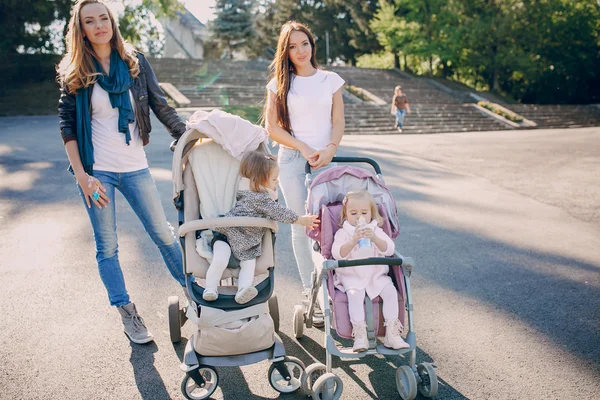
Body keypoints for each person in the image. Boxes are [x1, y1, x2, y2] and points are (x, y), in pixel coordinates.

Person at [56, 0, 187, 344]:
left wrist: (187, 137)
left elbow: (159, 103)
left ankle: (198, 296)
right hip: (98, 174)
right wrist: (82, 176)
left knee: (163, 234)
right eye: (90, 21)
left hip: (135, 167)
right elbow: (67, 127)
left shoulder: (134, 62)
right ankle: (127, 312)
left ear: (112, 22)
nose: (99, 25)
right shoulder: (76, 71)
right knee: (108, 246)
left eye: (103, 18)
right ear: (80, 29)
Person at [263, 21, 345, 323]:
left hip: (326, 159)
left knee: (331, 226)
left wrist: (330, 149)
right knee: (301, 225)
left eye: (304, 44)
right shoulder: (279, 85)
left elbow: (337, 121)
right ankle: (311, 292)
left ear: (312, 45)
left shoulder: (330, 80)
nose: (300, 51)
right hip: (292, 161)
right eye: (293, 46)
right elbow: (272, 129)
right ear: (285, 51)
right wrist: (302, 146)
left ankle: (334, 291)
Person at [200, 151, 319, 304]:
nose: (277, 183)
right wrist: (300, 219)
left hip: (247, 244)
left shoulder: (248, 190)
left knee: (246, 264)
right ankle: (210, 288)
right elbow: (279, 212)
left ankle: (243, 290)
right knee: (221, 259)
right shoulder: (259, 197)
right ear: (260, 180)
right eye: (274, 179)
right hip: (228, 236)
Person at [331, 190, 409, 352]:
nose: (359, 216)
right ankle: (360, 335)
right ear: (345, 214)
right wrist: (353, 241)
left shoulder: (376, 231)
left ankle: (392, 334)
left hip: (375, 274)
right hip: (352, 275)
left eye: (364, 213)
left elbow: (389, 249)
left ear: (371, 214)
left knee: (390, 292)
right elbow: (337, 253)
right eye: (353, 213)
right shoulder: (343, 233)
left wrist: (374, 238)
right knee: (354, 296)